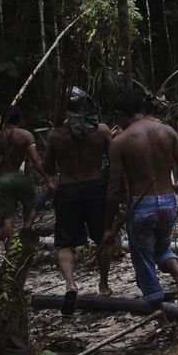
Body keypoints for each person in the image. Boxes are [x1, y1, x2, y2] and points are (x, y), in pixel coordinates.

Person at [104, 89, 178, 308]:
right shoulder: (167, 131)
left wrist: (108, 226)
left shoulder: (120, 141)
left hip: (142, 205)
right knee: (162, 249)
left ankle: (158, 312)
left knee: (143, 259)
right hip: (168, 202)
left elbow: (114, 188)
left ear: (121, 114)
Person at [43, 87, 114, 313]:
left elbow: (46, 168)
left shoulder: (55, 134)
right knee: (102, 238)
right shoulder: (102, 131)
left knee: (65, 243)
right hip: (96, 187)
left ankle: (70, 284)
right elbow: (115, 160)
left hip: (68, 189)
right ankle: (103, 284)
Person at [0, 105, 53, 245]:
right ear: (19, 119)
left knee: (7, 218)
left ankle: (9, 250)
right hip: (20, 179)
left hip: (2, 181)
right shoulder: (25, 135)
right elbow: (35, 160)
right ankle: (26, 228)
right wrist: (47, 179)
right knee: (32, 209)